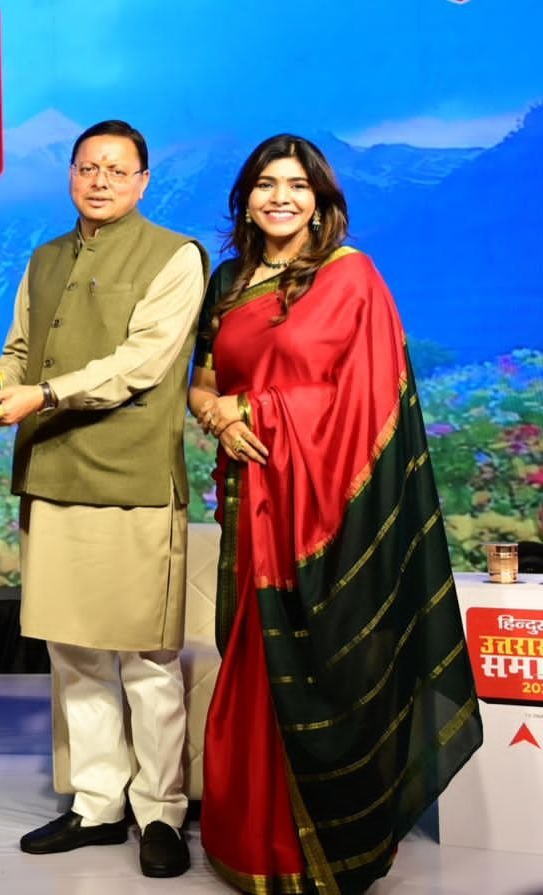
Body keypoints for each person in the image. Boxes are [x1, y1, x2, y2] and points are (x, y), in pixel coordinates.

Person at [189, 134, 482, 894]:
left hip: (331, 513)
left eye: (297, 185)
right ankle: (254, 840)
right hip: (253, 504)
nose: (280, 197)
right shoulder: (229, 280)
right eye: (266, 183)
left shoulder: (351, 278)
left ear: (320, 200)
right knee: (253, 662)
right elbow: (204, 381)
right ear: (245, 198)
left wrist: (259, 411)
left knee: (335, 663)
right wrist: (219, 413)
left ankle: (335, 846)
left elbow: (368, 399)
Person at [0, 119, 205, 879]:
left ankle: (161, 810)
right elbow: (20, 351)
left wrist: (42, 394)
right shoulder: (45, 256)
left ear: (143, 181)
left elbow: (143, 363)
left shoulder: (176, 255)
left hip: (133, 479)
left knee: (147, 657)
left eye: (117, 169)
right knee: (73, 651)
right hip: (52, 471)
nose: (101, 180)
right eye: (88, 167)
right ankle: (96, 803)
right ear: (71, 176)